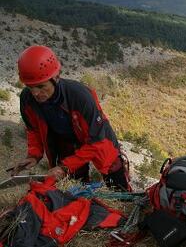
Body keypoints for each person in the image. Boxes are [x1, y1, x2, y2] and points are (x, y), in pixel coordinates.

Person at [10, 45, 131, 191]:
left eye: (41, 86)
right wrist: (34, 155)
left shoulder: (80, 97)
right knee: (74, 186)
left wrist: (64, 167)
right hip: (66, 143)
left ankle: (126, 202)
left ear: (56, 77)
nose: (35, 93)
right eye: (30, 87)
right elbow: (33, 129)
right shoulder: (27, 99)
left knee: (115, 177)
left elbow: (96, 141)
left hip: (97, 138)